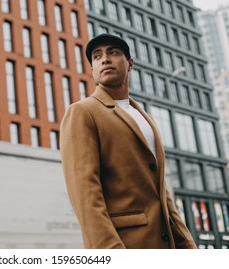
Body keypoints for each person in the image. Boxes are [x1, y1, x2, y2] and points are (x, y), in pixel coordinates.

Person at [60, 33, 197, 249]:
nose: (104, 59)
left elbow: (161, 191)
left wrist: (187, 244)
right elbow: (85, 194)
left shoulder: (145, 118)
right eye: (97, 57)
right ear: (92, 70)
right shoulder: (82, 112)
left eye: (113, 53)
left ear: (130, 63)